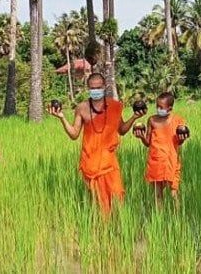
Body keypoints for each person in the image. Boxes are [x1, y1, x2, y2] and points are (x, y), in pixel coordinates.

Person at [47, 72, 142, 215]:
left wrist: (134, 117)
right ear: (88, 88)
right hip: (90, 163)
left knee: (117, 195)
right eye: (92, 88)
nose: (95, 90)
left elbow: (121, 130)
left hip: (109, 162)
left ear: (104, 86)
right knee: (98, 203)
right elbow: (74, 134)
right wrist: (61, 118)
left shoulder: (115, 106)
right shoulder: (81, 108)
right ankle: (100, 232)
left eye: (98, 87)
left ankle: (118, 229)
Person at [134, 92, 189, 202]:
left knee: (174, 192)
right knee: (157, 194)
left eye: (161, 107)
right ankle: (159, 216)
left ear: (170, 108)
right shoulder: (152, 120)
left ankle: (176, 216)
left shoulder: (178, 121)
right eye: (157, 106)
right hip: (156, 161)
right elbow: (148, 143)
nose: (158, 109)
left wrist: (182, 138)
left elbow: (179, 142)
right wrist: (141, 137)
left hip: (171, 161)